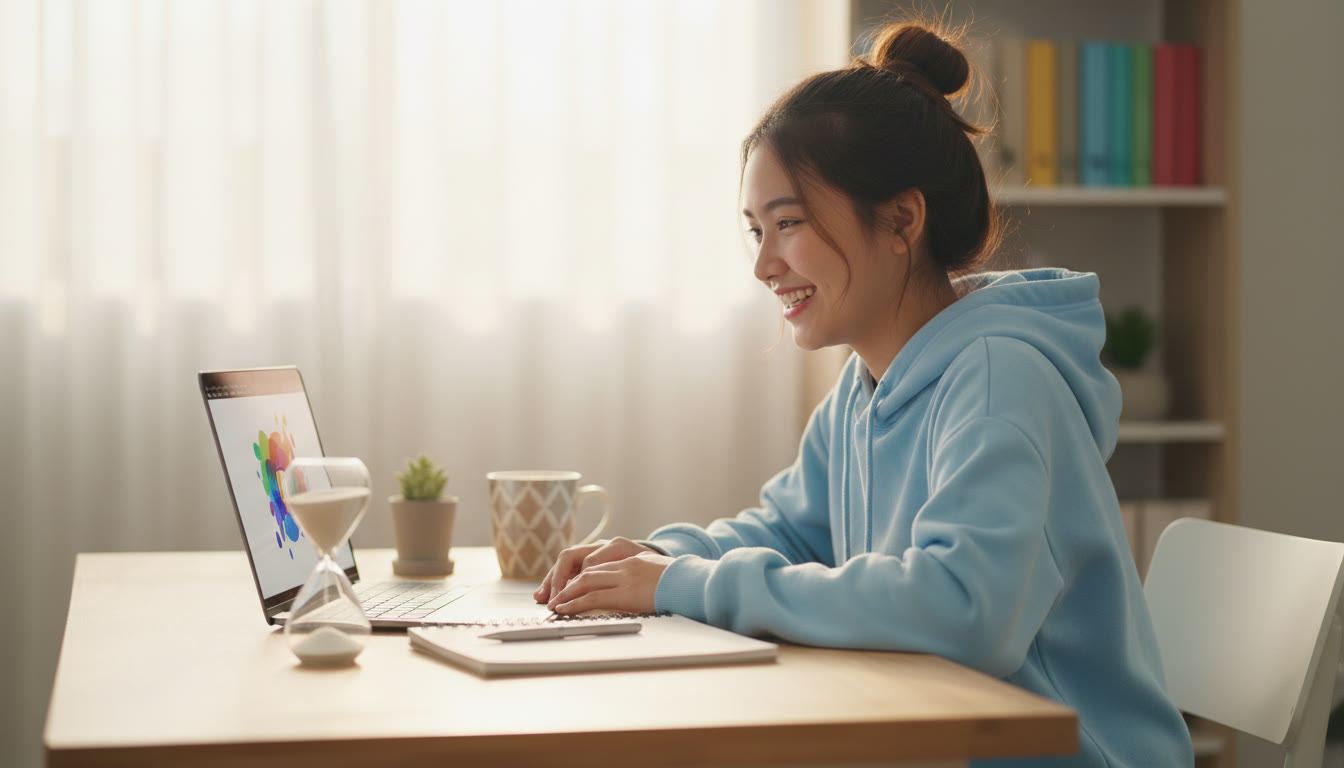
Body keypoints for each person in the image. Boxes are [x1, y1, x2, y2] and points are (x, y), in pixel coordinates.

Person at [532, 20, 1193, 768]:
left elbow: (964, 608)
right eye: (756, 231)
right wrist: (658, 556)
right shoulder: (865, 386)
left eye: (788, 223)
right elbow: (789, 530)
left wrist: (681, 584)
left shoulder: (998, 378)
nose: (764, 266)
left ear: (902, 220)